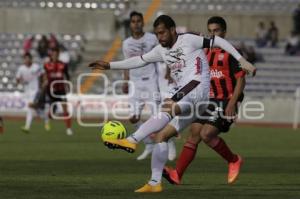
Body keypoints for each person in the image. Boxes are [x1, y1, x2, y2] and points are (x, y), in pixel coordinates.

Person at [89, 14, 256, 192]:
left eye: (162, 33)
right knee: (162, 136)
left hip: (198, 87)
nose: (160, 37)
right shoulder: (160, 50)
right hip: (191, 99)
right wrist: (109, 65)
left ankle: (132, 140)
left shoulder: (189, 40)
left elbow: (220, 42)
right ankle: (154, 183)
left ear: (172, 30)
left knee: (168, 104)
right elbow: (138, 60)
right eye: (157, 34)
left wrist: (241, 60)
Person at [161, 16, 245, 186]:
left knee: (206, 134)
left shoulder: (231, 53)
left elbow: (241, 80)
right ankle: (177, 174)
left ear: (224, 32)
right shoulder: (204, 52)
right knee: (194, 133)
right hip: (207, 101)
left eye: (217, 31)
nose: (214, 34)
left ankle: (234, 160)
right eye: (211, 31)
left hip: (225, 101)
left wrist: (232, 103)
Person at [122, 11, 176, 161]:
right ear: (130, 24)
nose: (136, 24)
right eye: (133, 21)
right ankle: (149, 145)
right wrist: (126, 80)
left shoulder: (152, 38)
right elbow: (127, 62)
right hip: (134, 82)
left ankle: (169, 141)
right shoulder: (126, 43)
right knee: (133, 118)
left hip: (151, 81)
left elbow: (166, 51)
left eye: (138, 21)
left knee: (158, 117)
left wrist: (169, 70)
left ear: (142, 22)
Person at [16, 52, 50, 133]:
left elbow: (44, 73)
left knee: (30, 106)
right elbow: (17, 79)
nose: (27, 60)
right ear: (24, 60)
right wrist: (20, 81)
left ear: (31, 59)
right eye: (25, 59)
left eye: (28, 58)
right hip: (26, 91)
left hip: (35, 90)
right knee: (36, 109)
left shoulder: (36, 67)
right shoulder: (21, 68)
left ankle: (27, 127)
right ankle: (46, 120)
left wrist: (45, 81)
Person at [43, 47, 73, 135]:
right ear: (51, 55)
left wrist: (68, 85)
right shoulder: (47, 65)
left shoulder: (63, 65)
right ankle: (47, 120)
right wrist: (44, 81)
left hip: (61, 89)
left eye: (56, 54)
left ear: (58, 55)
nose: (55, 56)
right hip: (51, 90)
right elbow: (45, 75)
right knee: (53, 110)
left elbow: (67, 76)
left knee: (65, 108)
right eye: (53, 54)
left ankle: (68, 129)